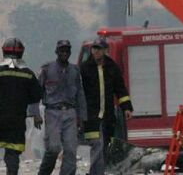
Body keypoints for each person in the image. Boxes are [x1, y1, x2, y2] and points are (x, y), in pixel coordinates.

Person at [33, 40, 86, 175]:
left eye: (66, 50)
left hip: (70, 113)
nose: (64, 53)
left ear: (69, 53)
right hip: (52, 112)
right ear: (56, 52)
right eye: (61, 50)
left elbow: (80, 94)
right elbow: (35, 91)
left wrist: (82, 117)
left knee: (70, 149)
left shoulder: (74, 71)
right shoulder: (46, 69)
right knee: (53, 147)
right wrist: (35, 113)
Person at [80, 37, 132, 175]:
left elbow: (120, 88)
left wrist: (126, 107)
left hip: (107, 114)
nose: (95, 51)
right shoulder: (85, 68)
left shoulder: (112, 67)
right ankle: (95, 173)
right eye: (94, 48)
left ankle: (99, 171)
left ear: (105, 50)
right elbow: (79, 92)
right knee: (97, 144)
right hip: (91, 115)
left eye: (99, 49)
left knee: (104, 145)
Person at [0, 38, 43, 175]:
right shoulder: (28, 74)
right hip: (16, 122)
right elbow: (36, 97)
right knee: (12, 153)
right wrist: (36, 115)